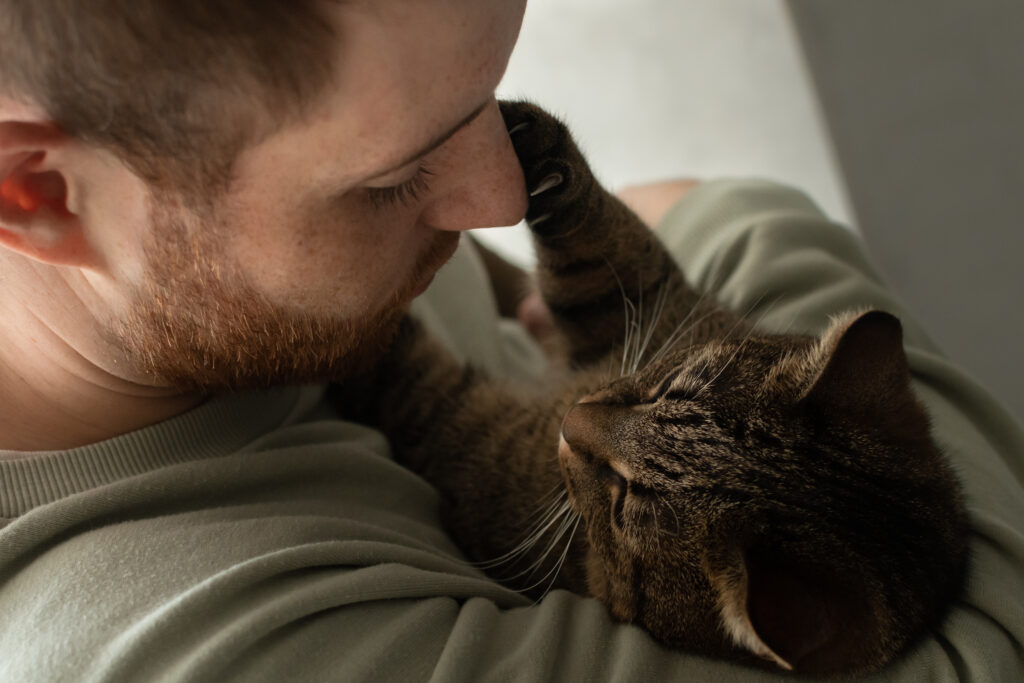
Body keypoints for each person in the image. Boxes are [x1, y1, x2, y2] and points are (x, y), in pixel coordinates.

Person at [0, 2, 1020, 681]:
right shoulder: (228, 647)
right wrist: (754, 214)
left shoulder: (216, 291)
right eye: (392, 176)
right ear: (36, 191)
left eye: (485, 92)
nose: (496, 200)